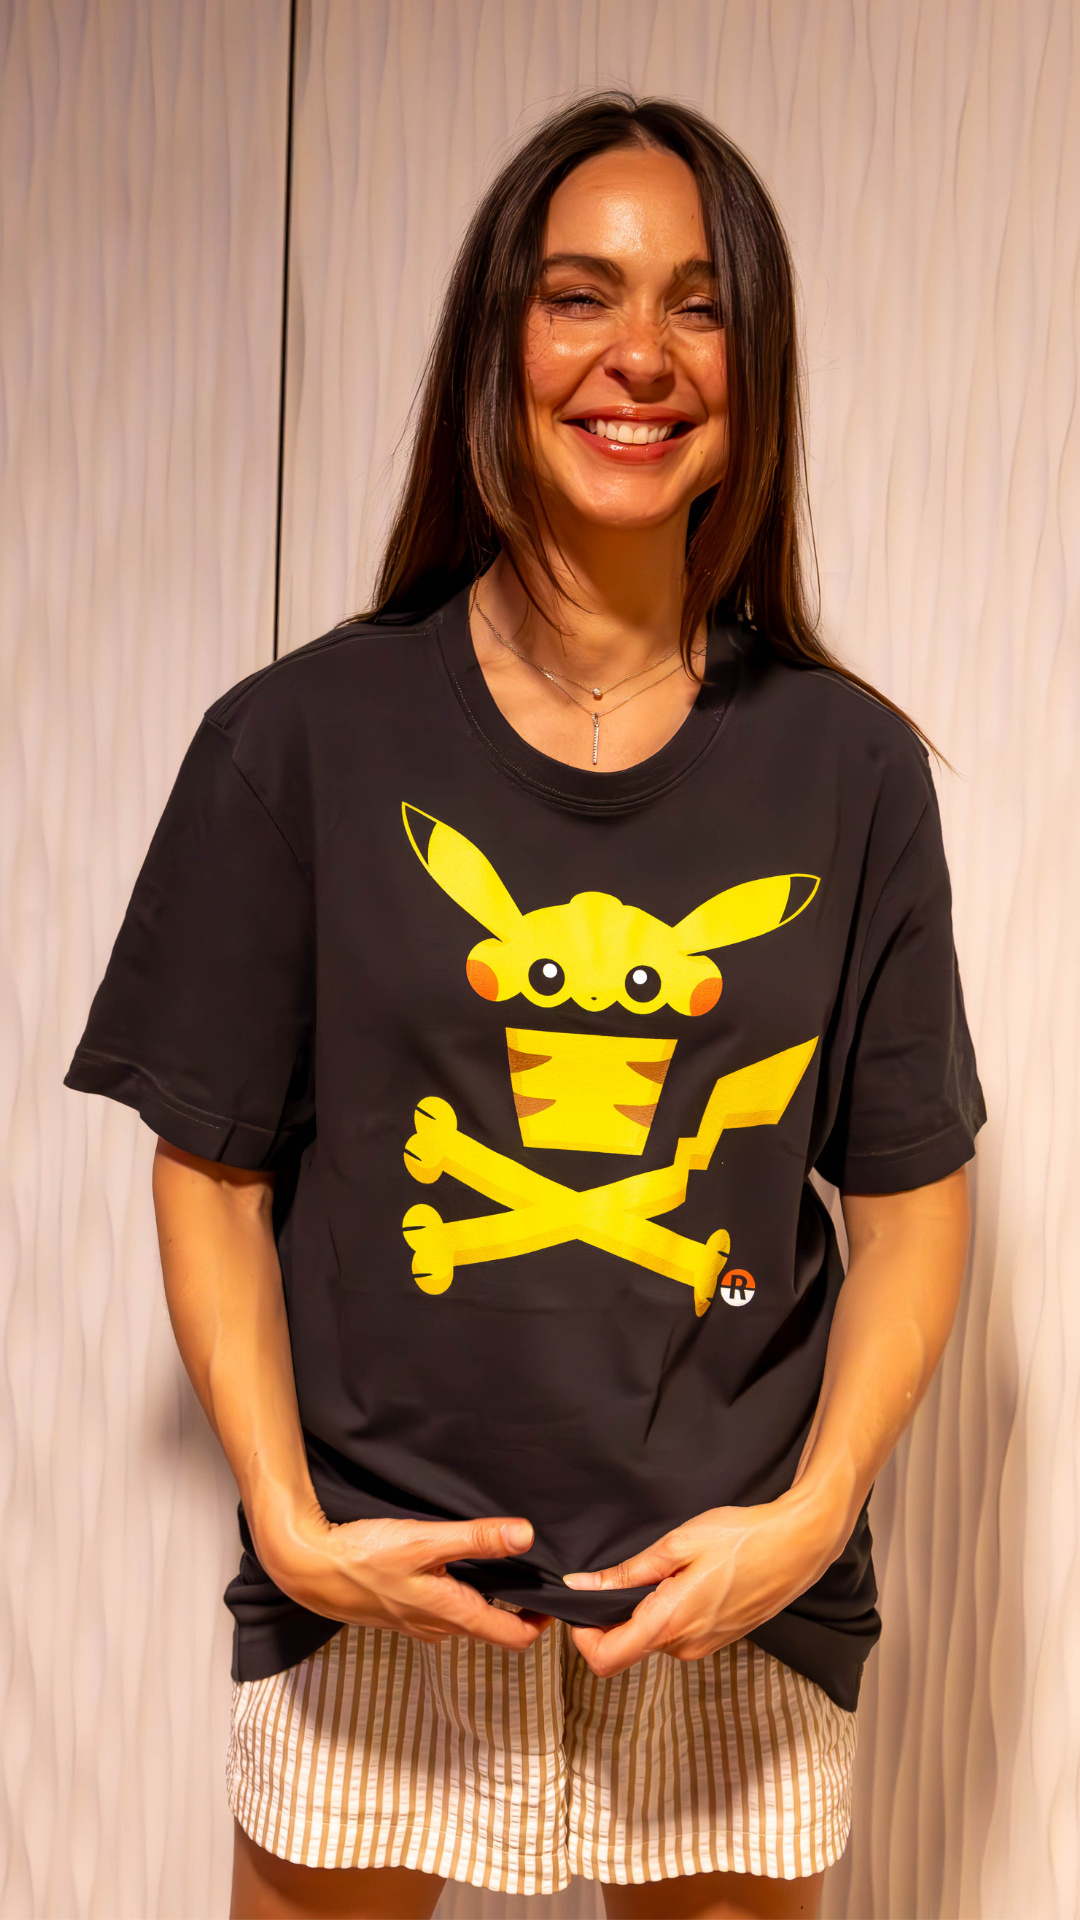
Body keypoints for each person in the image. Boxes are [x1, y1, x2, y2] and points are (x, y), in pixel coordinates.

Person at [66, 93, 985, 1920]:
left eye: (699, 304)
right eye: (581, 296)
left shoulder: (851, 773)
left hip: (727, 1599)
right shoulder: (299, 743)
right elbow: (212, 1172)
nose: (640, 353)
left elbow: (909, 1204)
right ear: (501, 344)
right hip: (381, 1587)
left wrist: (808, 1523)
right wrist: (293, 1529)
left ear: (756, 367)